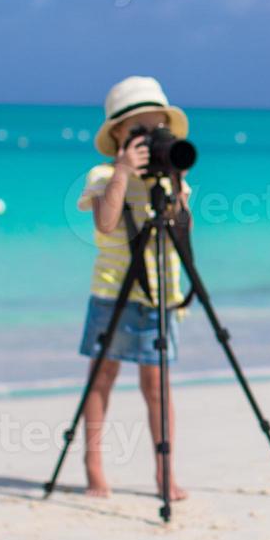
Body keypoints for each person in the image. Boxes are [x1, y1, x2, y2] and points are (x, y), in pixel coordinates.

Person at [76, 76, 193, 500]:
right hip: (112, 290)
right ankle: (94, 468)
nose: (149, 142)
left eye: (156, 131)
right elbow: (105, 223)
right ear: (118, 136)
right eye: (138, 132)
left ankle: (165, 472)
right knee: (102, 376)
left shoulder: (170, 180)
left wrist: (176, 182)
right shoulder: (104, 173)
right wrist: (124, 172)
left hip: (161, 293)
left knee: (157, 387)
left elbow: (184, 233)